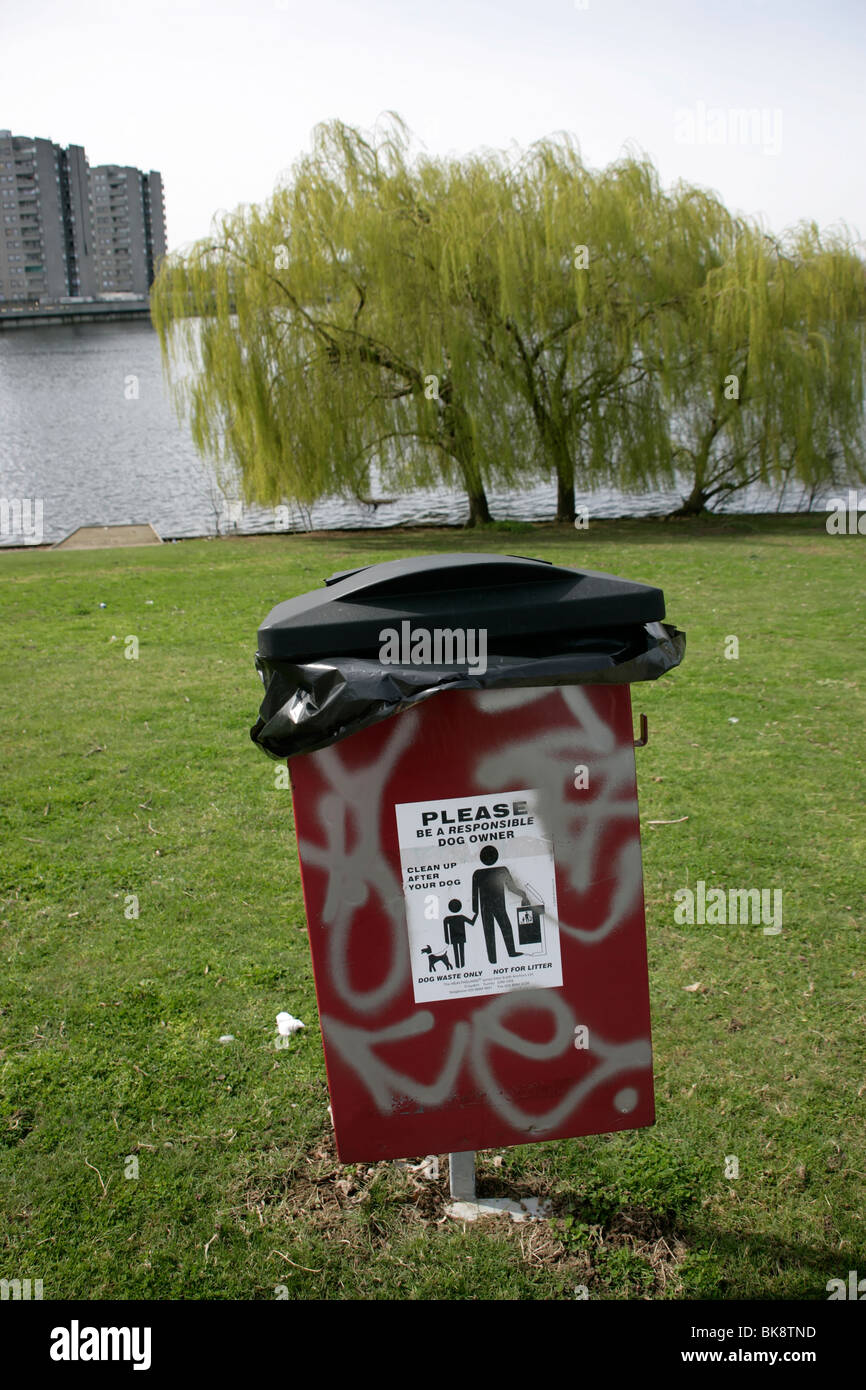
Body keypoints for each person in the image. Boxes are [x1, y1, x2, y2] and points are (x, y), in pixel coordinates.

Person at [470, 845, 529, 965]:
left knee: (490, 931)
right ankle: (509, 953)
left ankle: (493, 959)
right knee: (504, 927)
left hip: (487, 906)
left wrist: (475, 910)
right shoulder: (501, 870)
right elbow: (512, 888)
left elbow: (474, 895)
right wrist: (522, 894)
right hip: (496, 905)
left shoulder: (478, 873)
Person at [442, 899, 475, 968]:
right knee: (459, 951)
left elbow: (445, 930)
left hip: (456, 937)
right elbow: (472, 922)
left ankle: (459, 965)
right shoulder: (460, 917)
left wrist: (447, 940)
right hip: (459, 937)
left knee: (457, 952)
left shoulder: (448, 919)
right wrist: (475, 915)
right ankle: (461, 965)